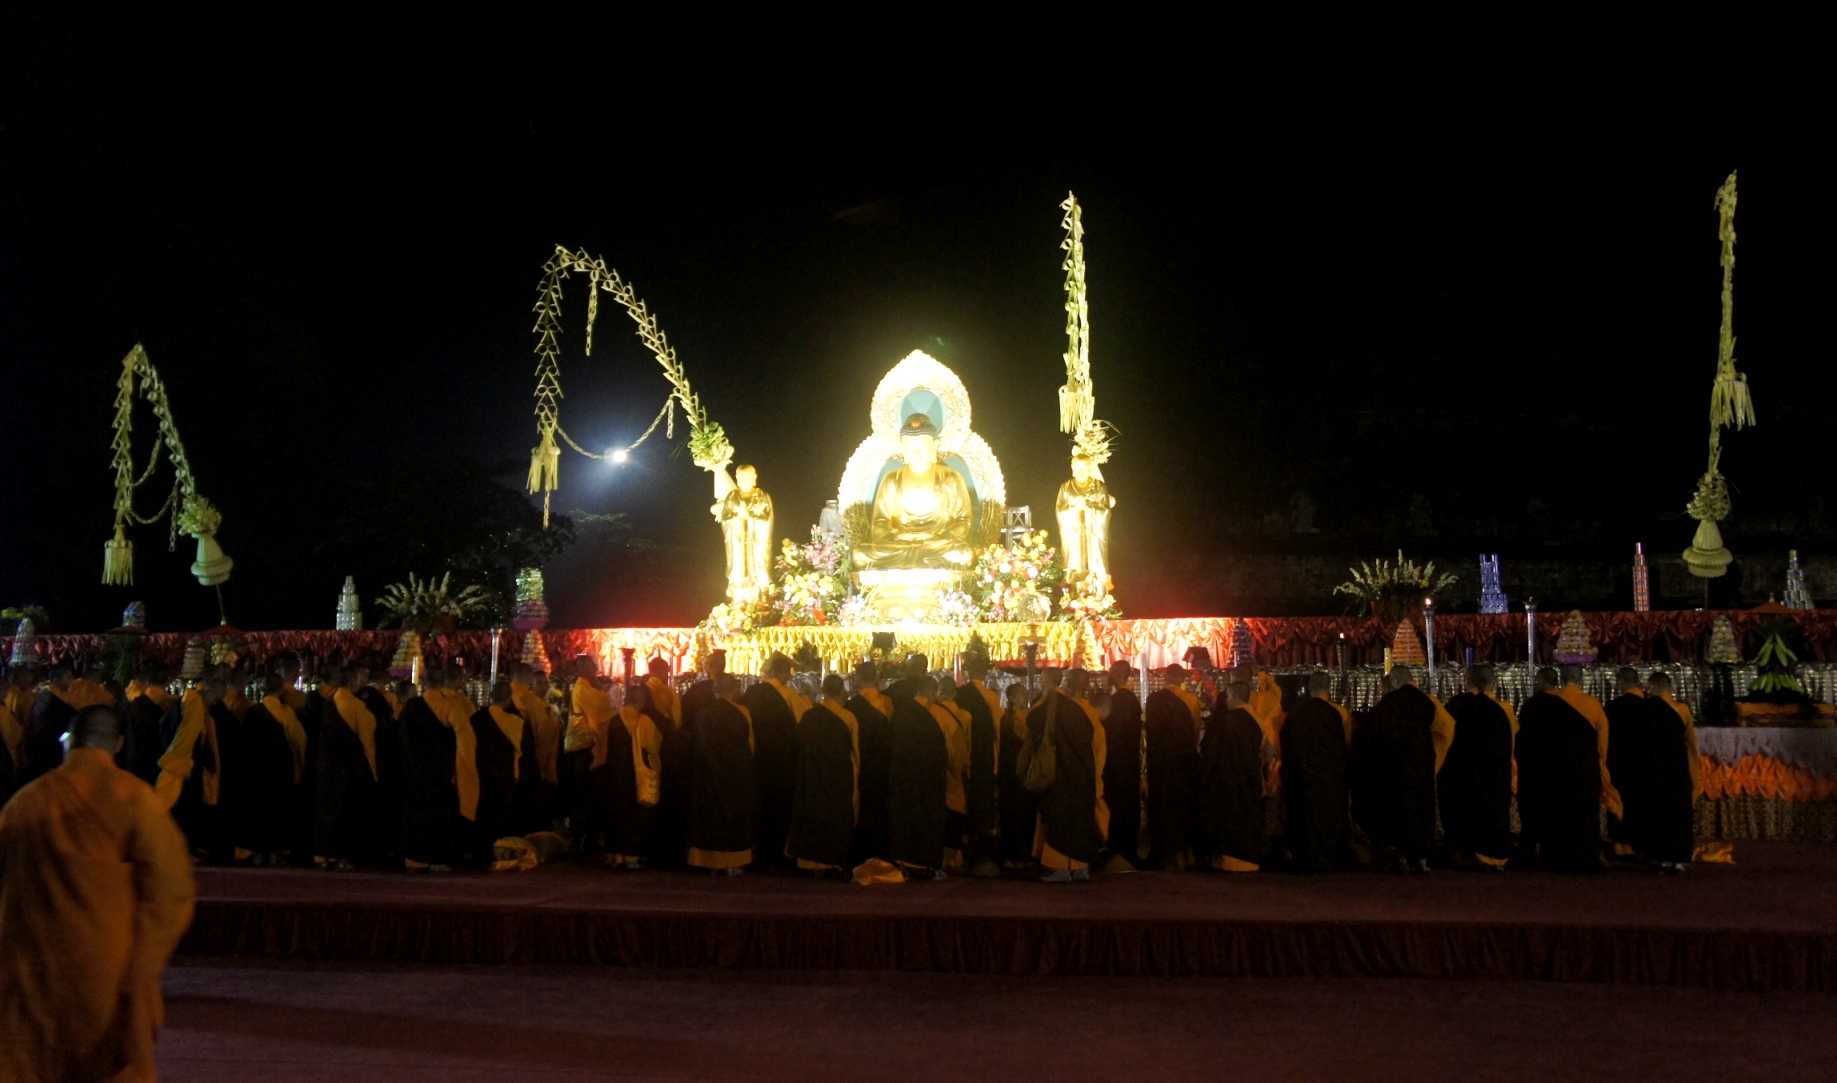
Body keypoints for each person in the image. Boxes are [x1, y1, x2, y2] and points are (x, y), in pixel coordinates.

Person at [0, 704, 195, 1083]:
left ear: (69, 742)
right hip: (104, 970)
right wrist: (142, 965)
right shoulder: (134, 799)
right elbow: (171, 893)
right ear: (117, 744)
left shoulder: (25, 802)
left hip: (31, 968)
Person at [1356, 667, 1454, 873]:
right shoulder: (1428, 701)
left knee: (1398, 812)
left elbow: (1369, 736)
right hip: (1422, 764)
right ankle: (1423, 857)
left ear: (1395, 681)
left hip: (1393, 767)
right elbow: (1448, 728)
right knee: (1422, 809)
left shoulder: (1386, 704)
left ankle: (1401, 856)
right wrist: (1436, 759)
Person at [1516, 666, 1610, 872]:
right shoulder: (1592, 704)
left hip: (1554, 771)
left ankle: (1553, 857)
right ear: (1582, 680)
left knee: (1558, 815)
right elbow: (1602, 744)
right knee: (1584, 818)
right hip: (1585, 770)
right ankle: (1586, 858)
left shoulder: (1542, 705)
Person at [1437, 664, 1517, 870]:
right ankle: (1495, 856)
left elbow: (1445, 738)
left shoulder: (1457, 705)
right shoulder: (1503, 709)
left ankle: (1466, 851)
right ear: (1493, 684)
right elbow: (1512, 742)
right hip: (1495, 774)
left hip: (1462, 773)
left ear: (1467, 682)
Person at [397, 669, 476, 870]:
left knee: (414, 815)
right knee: (438, 816)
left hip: (412, 770)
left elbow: (401, 738)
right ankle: (436, 859)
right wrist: (466, 772)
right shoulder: (450, 706)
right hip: (439, 772)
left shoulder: (410, 706)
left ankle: (413, 858)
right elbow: (467, 741)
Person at [1035, 669, 1108, 882]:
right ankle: (1081, 866)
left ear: (1068, 683)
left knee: (1061, 821)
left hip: (1063, 775)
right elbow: (1099, 751)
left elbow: (1034, 722)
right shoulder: (1091, 714)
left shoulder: (1059, 708)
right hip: (1087, 777)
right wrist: (1095, 778)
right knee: (1082, 821)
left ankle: (1061, 868)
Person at [1279, 670, 1351, 873]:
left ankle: (1304, 858)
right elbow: (1344, 744)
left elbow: (1286, 742)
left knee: (1303, 816)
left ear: (1309, 689)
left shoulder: (1296, 713)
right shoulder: (1338, 712)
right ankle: (1329, 857)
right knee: (1329, 816)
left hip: (1301, 774)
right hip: (1330, 775)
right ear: (1329, 688)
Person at [788, 674, 860, 876]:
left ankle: (808, 863)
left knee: (811, 814)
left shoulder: (809, 716)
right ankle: (832, 862)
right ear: (842, 692)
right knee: (835, 818)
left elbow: (799, 746)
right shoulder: (848, 717)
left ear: (822, 691)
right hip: (839, 777)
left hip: (811, 775)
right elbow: (855, 751)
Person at [1196, 679, 1270, 872]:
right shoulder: (1257, 720)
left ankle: (1227, 860)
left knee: (1229, 821)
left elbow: (1211, 750)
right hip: (1250, 777)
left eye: (1228, 696)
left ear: (1236, 697)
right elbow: (1263, 751)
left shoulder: (1227, 722)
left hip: (1227, 778)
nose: (1226, 700)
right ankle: (1248, 859)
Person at [686, 674, 757, 873]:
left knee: (709, 816)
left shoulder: (703, 714)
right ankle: (733, 862)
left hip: (707, 774)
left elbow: (697, 747)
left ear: (714, 689)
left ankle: (707, 861)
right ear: (734, 689)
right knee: (731, 817)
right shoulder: (742, 713)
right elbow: (750, 745)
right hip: (734, 774)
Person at [885, 674, 955, 877]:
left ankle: (902, 860)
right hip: (928, 781)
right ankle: (924, 864)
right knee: (925, 822)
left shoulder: (900, 713)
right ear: (933, 693)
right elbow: (946, 750)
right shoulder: (935, 715)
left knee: (904, 821)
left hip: (902, 778)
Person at [315, 666, 382, 869]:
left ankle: (324, 855)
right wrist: (374, 771)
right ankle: (344, 856)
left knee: (328, 811)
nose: (364, 681)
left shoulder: (330, 700)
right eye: (362, 677)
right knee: (347, 813)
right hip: (350, 768)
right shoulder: (355, 705)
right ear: (352, 680)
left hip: (327, 766)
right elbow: (367, 740)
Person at [155, 675, 227, 859]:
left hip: (189, 762)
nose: (215, 703)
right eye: (216, 697)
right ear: (208, 688)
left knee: (184, 809)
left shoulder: (191, 701)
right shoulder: (194, 704)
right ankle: (184, 850)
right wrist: (180, 763)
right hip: (186, 764)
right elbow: (186, 733)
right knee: (186, 810)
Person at [745, 653, 806, 870]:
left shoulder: (752, 692)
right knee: (779, 809)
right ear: (784, 672)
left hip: (757, 757)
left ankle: (756, 852)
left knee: (759, 805)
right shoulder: (789, 695)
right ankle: (778, 854)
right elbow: (802, 723)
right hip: (782, 761)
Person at [247, 672, 312, 865]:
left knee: (258, 809)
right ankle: (275, 851)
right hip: (279, 768)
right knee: (278, 809)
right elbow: (299, 740)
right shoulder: (285, 712)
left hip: (256, 768)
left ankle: (258, 851)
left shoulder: (252, 712)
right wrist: (301, 765)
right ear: (280, 690)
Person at [1144, 664, 1202, 869]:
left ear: (1165, 676)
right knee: (1180, 806)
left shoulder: (1153, 699)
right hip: (1182, 760)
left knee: (1160, 804)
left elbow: (1148, 730)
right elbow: (1195, 731)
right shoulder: (1192, 700)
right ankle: (1182, 853)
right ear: (1182, 679)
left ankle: (1160, 852)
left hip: (1159, 760)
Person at [1640, 672, 1699, 869]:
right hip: (1678, 767)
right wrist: (1694, 772)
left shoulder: (1646, 709)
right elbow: (1690, 742)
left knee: (1658, 811)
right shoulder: (1682, 709)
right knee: (1679, 812)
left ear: (1654, 687)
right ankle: (1680, 858)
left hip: (1655, 766)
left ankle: (1661, 856)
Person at [952, 654, 1003, 877]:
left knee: (963, 795)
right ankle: (980, 842)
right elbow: (998, 727)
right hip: (984, 756)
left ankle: (963, 840)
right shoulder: (990, 696)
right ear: (985, 673)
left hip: (962, 752)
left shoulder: (960, 694)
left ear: (968, 672)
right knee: (982, 799)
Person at [473, 681, 539, 854]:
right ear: (509, 698)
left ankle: (481, 850)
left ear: (491, 696)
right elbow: (525, 750)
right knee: (501, 813)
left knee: (483, 810)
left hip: (481, 772)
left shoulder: (477, 718)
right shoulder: (515, 721)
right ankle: (500, 850)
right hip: (504, 772)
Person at [1603, 667, 1655, 862]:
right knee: (1642, 804)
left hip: (1618, 763)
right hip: (1644, 764)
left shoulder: (1613, 707)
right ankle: (1643, 844)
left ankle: (1621, 845)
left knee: (1620, 802)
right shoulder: (1651, 707)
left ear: (1622, 683)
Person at [845, 660, 894, 865]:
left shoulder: (851, 706)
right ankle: (881, 850)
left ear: (858, 679)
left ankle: (860, 851)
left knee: (861, 808)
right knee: (881, 808)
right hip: (884, 763)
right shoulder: (889, 703)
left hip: (859, 762)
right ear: (876, 678)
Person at [644, 658, 691, 867]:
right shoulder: (667, 691)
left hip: (643, 743)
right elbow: (677, 720)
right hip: (664, 743)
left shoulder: (643, 690)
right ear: (661, 671)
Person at [1100, 660, 1144, 870]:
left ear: (1117, 673)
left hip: (1117, 764)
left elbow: (1112, 734)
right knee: (1128, 806)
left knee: (1117, 806)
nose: (1108, 674)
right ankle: (1127, 850)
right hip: (1130, 762)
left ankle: (1117, 849)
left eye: (1110, 671)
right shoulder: (1131, 700)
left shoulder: (1118, 701)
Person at [563, 655, 609, 850]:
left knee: (593, 793)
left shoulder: (588, 687)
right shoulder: (581, 688)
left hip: (587, 747)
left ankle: (588, 836)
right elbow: (602, 706)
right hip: (581, 748)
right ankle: (578, 837)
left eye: (592, 666)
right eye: (587, 667)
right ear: (580, 670)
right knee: (583, 794)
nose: (592, 670)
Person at [996, 681, 1039, 868]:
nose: (1025, 696)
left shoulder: (1028, 717)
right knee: (1011, 815)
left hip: (1024, 773)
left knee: (1026, 815)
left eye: (1025, 693)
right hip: (1010, 774)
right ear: (1011, 698)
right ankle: (1010, 855)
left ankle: (1024, 855)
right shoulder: (1007, 719)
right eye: (1021, 694)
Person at [21, 666, 78, 786]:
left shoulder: (48, 697)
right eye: (67, 678)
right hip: (47, 753)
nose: (71, 681)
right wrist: (63, 742)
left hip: (44, 750)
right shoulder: (52, 701)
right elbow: (62, 730)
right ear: (56, 680)